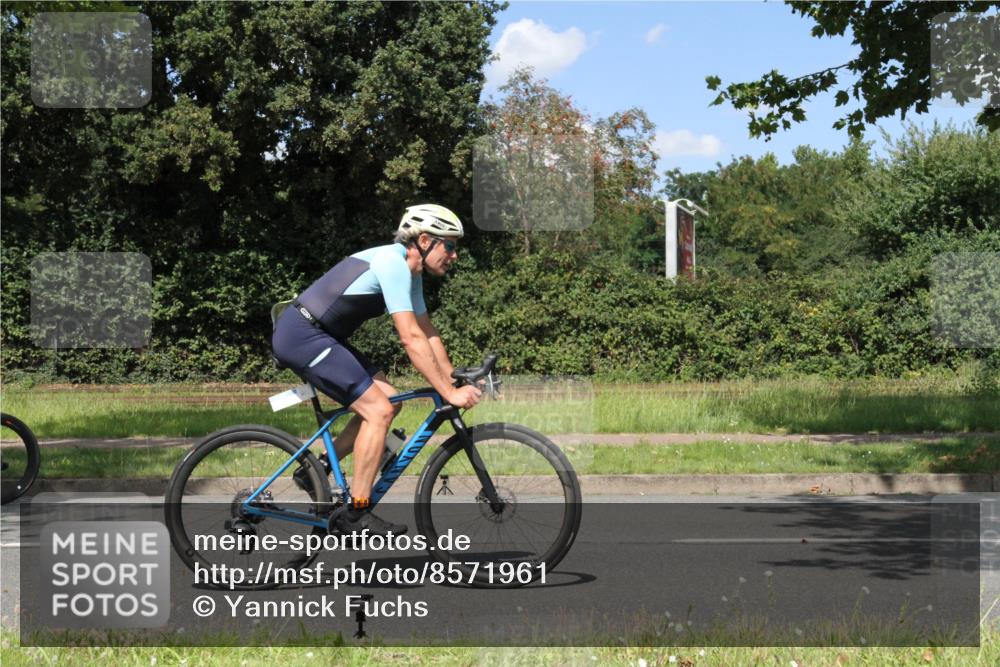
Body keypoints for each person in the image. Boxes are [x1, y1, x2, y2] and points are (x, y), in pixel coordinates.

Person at [271, 204, 482, 536]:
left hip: (321, 336)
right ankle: (356, 514)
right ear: (425, 240)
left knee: (390, 400)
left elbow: (426, 329)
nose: (454, 255)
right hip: (303, 336)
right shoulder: (393, 263)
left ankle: (316, 468)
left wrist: (451, 374)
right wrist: (448, 392)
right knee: (379, 411)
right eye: (450, 245)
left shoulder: (410, 271)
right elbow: (411, 339)